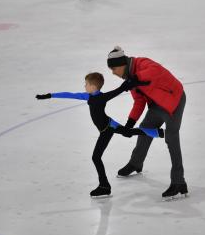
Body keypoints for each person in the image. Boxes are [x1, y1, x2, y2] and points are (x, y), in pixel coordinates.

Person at [36, 72, 164, 198]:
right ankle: (156, 132)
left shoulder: (102, 97)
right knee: (126, 133)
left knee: (99, 155)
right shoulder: (88, 97)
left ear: (93, 86)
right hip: (107, 126)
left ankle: (104, 186)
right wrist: (50, 95)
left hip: (108, 127)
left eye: (86, 84)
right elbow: (70, 95)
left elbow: (119, 90)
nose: (84, 86)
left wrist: (131, 84)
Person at [107, 46, 188, 200]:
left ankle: (179, 182)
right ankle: (136, 163)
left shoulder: (141, 63)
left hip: (173, 101)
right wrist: (129, 124)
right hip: (157, 105)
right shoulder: (129, 77)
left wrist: (135, 79)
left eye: (114, 68)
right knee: (144, 129)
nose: (113, 72)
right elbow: (139, 101)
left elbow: (155, 72)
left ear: (122, 64)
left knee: (171, 138)